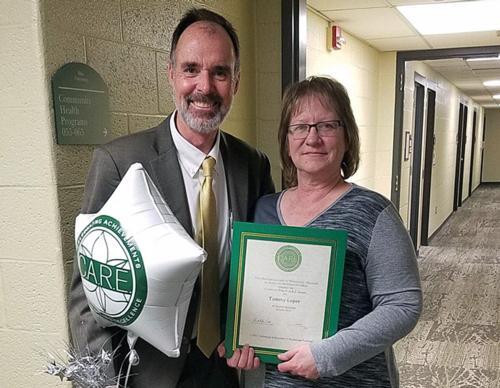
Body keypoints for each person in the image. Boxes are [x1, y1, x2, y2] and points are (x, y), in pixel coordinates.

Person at [68, 8, 275, 388]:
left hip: (228, 367)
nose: (205, 87)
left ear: (237, 80)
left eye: (220, 72)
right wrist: (101, 381)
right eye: (191, 68)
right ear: (171, 74)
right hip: (148, 374)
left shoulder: (253, 164)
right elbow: (88, 288)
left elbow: (261, 266)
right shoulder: (120, 161)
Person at [248, 76, 422, 387]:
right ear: (287, 140)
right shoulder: (263, 210)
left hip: (354, 380)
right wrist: (240, 343)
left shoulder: (374, 212)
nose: (312, 138)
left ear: (347, 137)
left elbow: (402, 305)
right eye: (300, 127)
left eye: (327, 125)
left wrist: (327, 354)